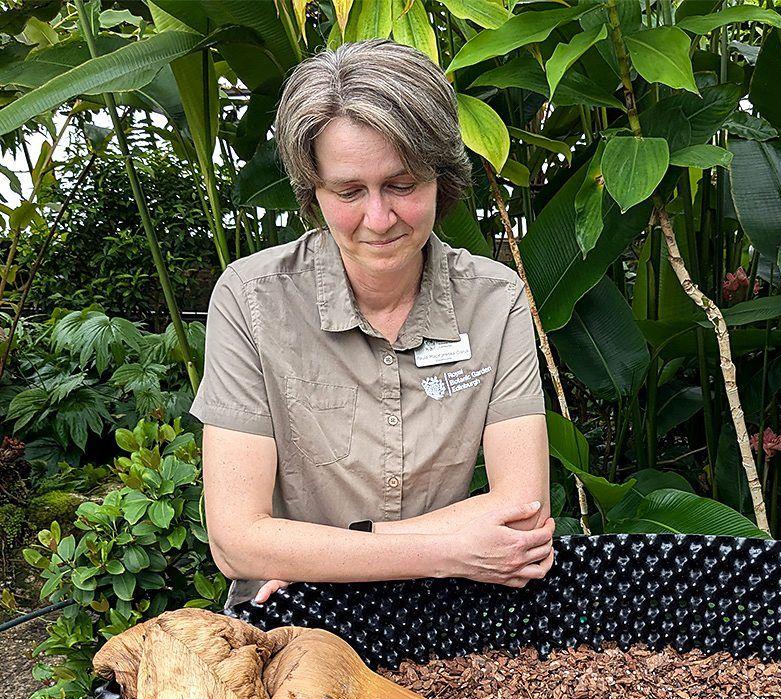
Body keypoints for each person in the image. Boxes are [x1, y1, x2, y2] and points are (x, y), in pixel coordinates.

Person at [189, 40, 556, 612]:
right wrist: (452, 549)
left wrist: (315, 553)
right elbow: (237, 542)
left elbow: (523, 508)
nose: (379, 219)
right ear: (314, 192)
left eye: (402, 185)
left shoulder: (495, 301)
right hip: (290, 606)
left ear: (441, 178)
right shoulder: (252, 299)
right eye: (349, 191)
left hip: (439, 606)